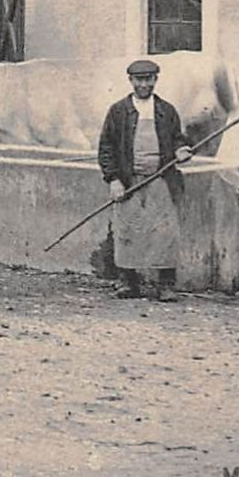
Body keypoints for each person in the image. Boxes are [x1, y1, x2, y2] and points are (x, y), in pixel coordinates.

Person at [97, 58, 194, 301]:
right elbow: (106, 148)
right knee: (128, 231)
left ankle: (166, 286)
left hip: (161, 179)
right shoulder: (118, 111)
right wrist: (113, 180)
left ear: (155, 80)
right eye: (139, 80)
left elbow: (177, 139)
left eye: (148, 79)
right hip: (130, 182)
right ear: (130, 81)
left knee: (164, 232)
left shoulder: (166, 111)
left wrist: (181, 151)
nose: (144, 84)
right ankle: (128, 283)